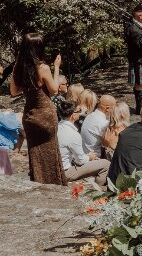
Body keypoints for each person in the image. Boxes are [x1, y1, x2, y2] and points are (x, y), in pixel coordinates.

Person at [9, 33, 67, 185]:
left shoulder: (19, 67)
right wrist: (56, 67)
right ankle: (55, 184)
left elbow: (14, 92)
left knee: (35, 153)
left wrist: (16, 68)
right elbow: (54, 90)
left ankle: (38, 182)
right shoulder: (43, 68)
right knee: (51, 151)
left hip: (30, 116)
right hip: (45, 114)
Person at [57, 101, 110, 187]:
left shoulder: (58, 126)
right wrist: (90, 157)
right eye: (79, 110)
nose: (81, 113)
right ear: (72, 115)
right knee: (106, 164)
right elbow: (80, 160)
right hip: (66, 172)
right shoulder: (73, 134)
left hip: (59, 167)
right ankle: (97, 190)